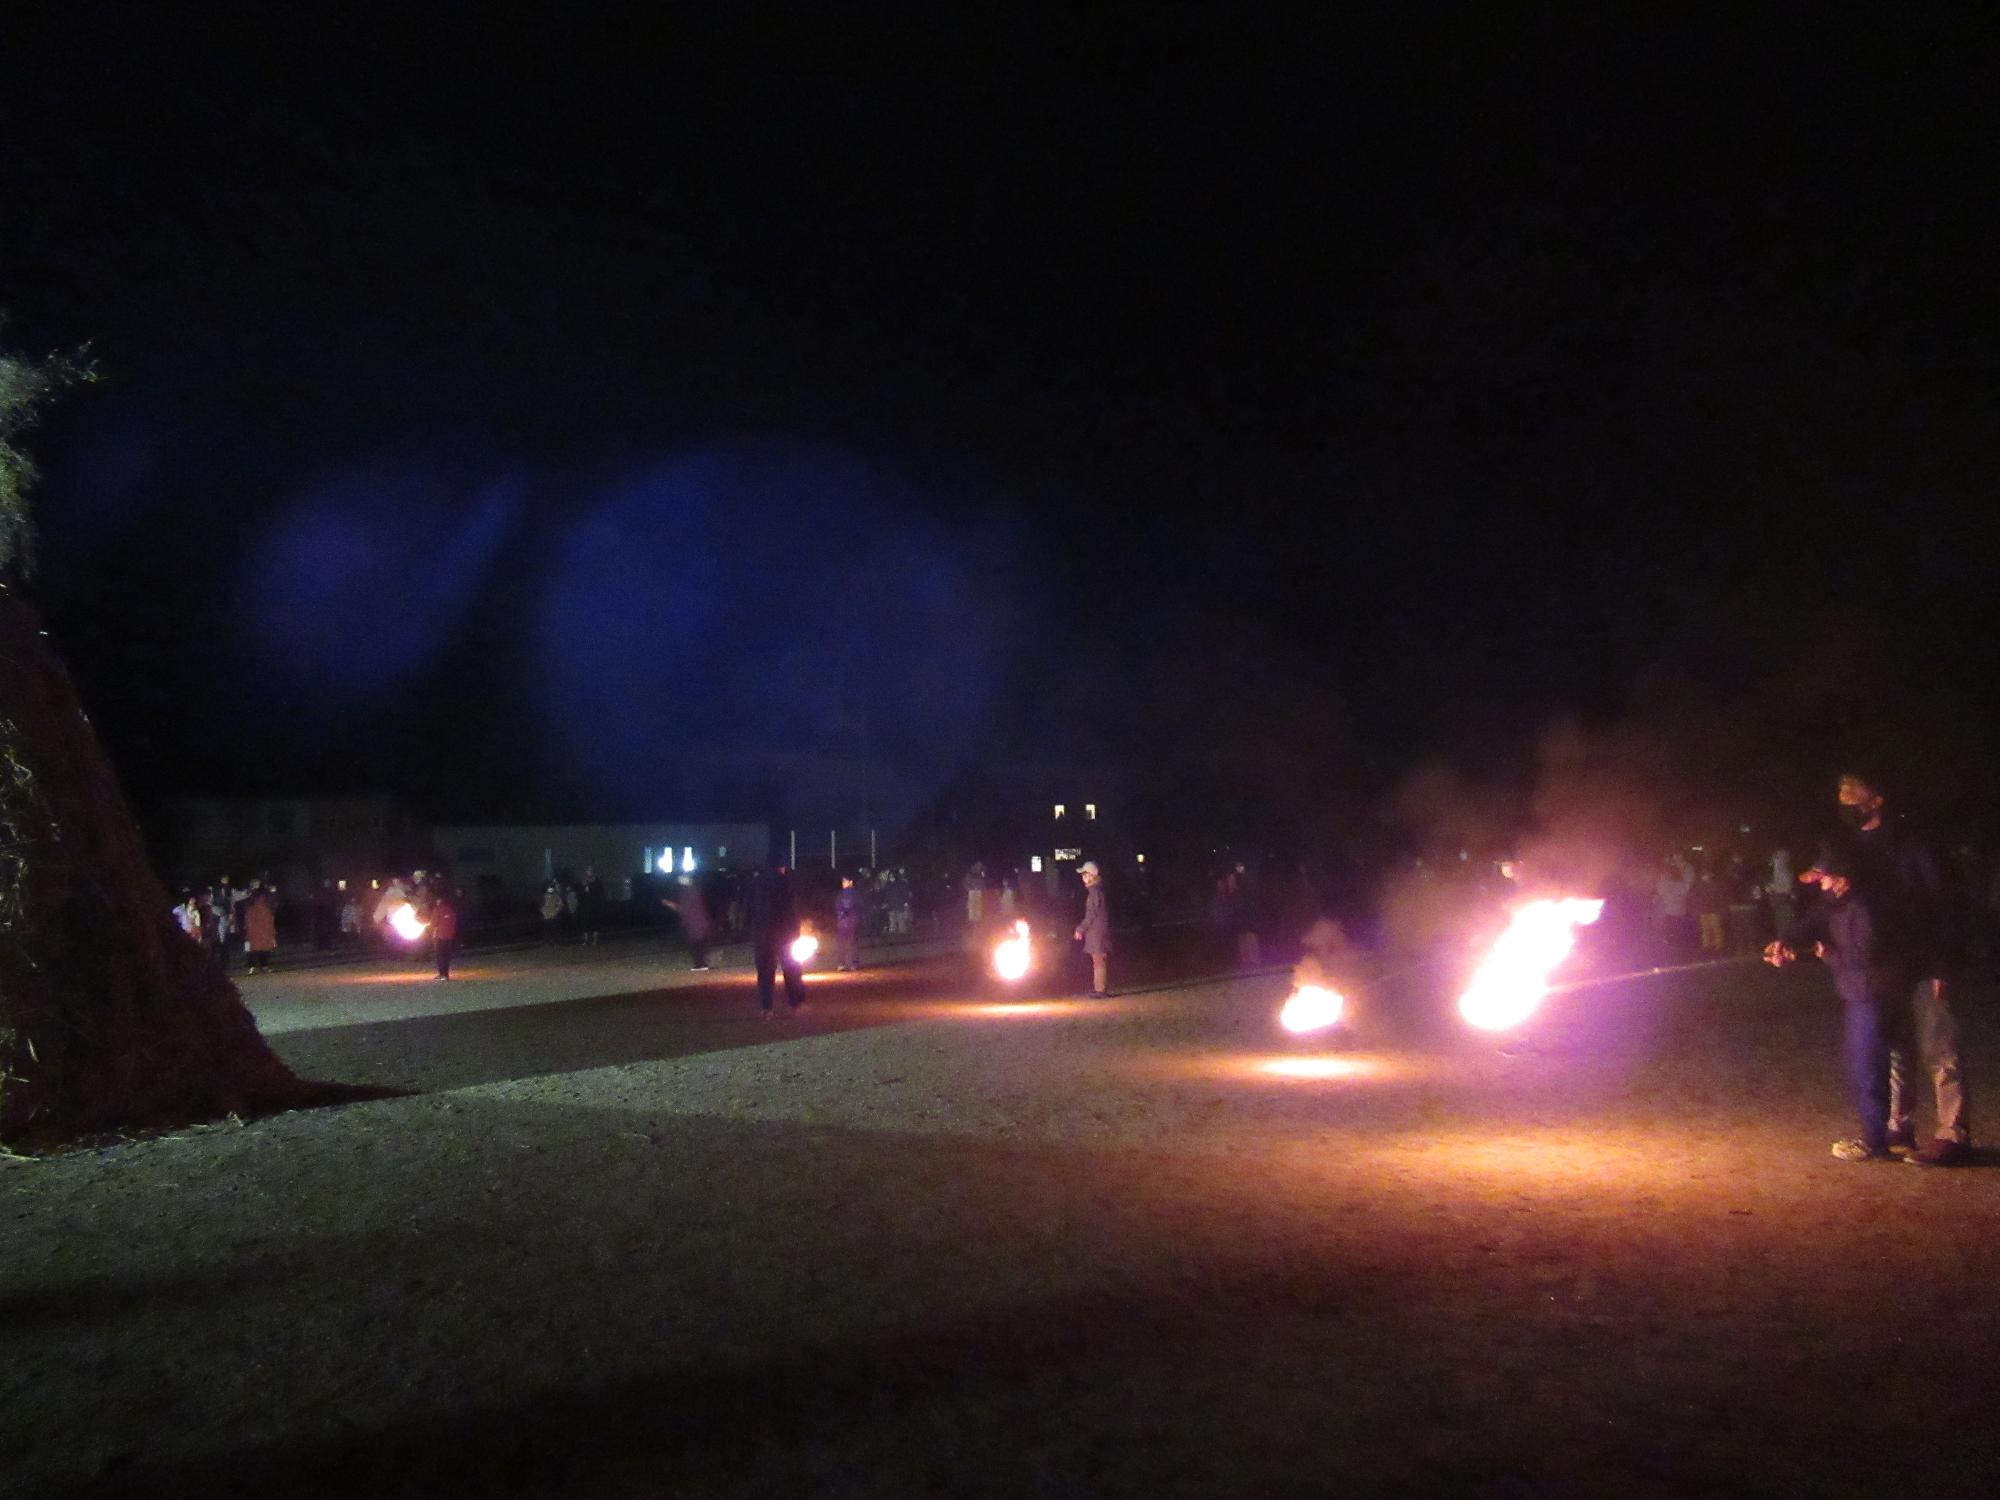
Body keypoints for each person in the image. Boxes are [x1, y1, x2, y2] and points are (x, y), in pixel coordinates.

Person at [1837, 770, 1972, 1166]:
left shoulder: (1913, 843)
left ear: (1876, 798)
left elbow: (1945, 902)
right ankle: (1899, 1126)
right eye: (1840, 791)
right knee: (1896, 1048)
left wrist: (1943, 963)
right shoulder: (1853, 847)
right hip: (1885, 965)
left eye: (1851, 791)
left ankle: (1952, 1132)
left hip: (1924, 959)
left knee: (1938, 1045)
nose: (1843, 799)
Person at [1764, 844, 1919, 1161]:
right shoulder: (1835, 904)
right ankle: (1887, 1136)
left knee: (1869, 1069)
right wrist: (1788, 943)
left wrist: (1827, 955)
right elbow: (1812, 924)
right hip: (1862, 991)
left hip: (1873, 994)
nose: (1819, 884)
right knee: (1874, 1067)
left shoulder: (1863, 907)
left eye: (1823, 878)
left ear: (1842, 879)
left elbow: (1866, 954)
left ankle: (1876, 1141)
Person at [746, 865, 806, 1017]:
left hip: (762, 933)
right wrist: (795, 932)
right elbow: (792, 910)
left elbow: (748, 908)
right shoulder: (786, 883)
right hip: (784, 933)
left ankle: (767, 1008)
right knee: (791, 968)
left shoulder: (755, 883)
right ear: (782, 867)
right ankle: (794, 1004)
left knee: (765, 971)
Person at [661, 873, 713, 971]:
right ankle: (702, 964)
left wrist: (668, 904)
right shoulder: (694, 891)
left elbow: (683, 909)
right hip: (700, 921)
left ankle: (700, 965)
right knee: (700, 944)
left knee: (695, 944)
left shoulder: (687, 893)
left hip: (694, 922)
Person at [1074, 859, 1110, 998]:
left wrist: (1080, 929)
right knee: (1098, 959)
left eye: (1085, 874)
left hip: (1097, 932)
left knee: (1098, 959)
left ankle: (1100, 990)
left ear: (1092, 875)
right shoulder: (1097, 890)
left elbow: (1091, 914)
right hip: (1098, 931)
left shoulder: (1094, 891)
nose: (1083, 878)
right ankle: (1099, 989)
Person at [241, 884, 279, 975]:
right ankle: (260, 966)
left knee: (255, 950)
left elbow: (269, 921)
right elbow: (269, 921)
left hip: (258, 933)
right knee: (261, 950)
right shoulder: (263, 909)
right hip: (260, 933)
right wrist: (272, 933)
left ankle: (253, 967)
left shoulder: (254, 909)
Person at [834, 874, 864, 971]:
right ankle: (841, 963)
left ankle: (853, 963)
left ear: (850, 882)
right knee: (841, 943)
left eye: (845, 881)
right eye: (842, 881)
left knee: (851, 942)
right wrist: (842, 912)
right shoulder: (841, 893)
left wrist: (849, 912)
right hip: (842, 921)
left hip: (852, 921)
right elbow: (837, 906)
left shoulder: (855, 894)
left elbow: (858, 906)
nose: (843, 883)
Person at [430, 889, 459, 980]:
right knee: (446, 956)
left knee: (440, 956)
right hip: (449, 936)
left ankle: (442, 974)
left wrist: (431, 925)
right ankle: (445, 974)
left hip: (439, 936)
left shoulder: (437, 909)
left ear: (438, 901)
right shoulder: (450, 909)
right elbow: (454, 921)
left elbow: (433, 923)